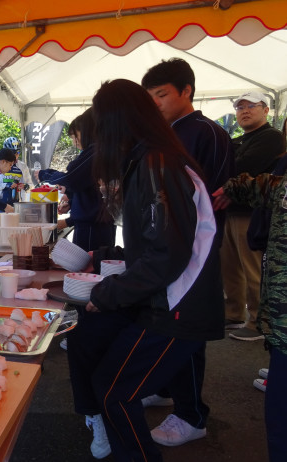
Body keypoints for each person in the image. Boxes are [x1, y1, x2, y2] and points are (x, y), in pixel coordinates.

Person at [66, 79, 223, 462]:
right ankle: (98, 421)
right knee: (85, 336)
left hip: (177, 306)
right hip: (165, 296)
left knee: (114, 389)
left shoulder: (157, 164)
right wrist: (103, 256)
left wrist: (106, 293)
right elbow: (154, 243)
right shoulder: (149, 158)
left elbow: (167, 255)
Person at [140, 57, 235, 446]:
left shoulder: (207, 133)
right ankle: (165, 388)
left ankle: (192, 414)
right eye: (151, 97)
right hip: (166, 246)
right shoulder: (164, 134)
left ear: (186, 91)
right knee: (165, 322)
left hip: (194, 249)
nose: (156, 104)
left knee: (186, 327)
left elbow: (214, 196)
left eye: (162, 95)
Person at [212, 145, 287, 461]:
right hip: (281, 329)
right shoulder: (281, 182)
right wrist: (231, 187)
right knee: (279, 419)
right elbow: (265, 187)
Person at [221, 91, 285, 341]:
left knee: (252, 268)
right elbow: (224, 167)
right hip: (229, 210)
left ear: (266, 110)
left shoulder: (271, 137)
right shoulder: (237, 140)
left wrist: (228, 177)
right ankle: (233, 312)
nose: (245, 111)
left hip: (252, 213)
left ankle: (257, 320)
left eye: (251, 106)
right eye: (240, 107)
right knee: (229, 266)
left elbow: (238, 168)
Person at [37, 109, 116, 251]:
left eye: (75, 136)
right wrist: (72, 200)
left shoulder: (95, 152)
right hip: (95, 225)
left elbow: (70, 178)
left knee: (88, 267)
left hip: (93, 227)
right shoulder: (100, 151)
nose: (74, 142)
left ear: (86, 131)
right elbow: (87, 188)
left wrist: (45, 175)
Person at [0, 136, 27, 211]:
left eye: (18, 152)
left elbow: (29, 184)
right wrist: (7, 185)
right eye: (12, 152)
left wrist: (25, 186)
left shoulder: (22, 166)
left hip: (17, 203)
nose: (15, 155)